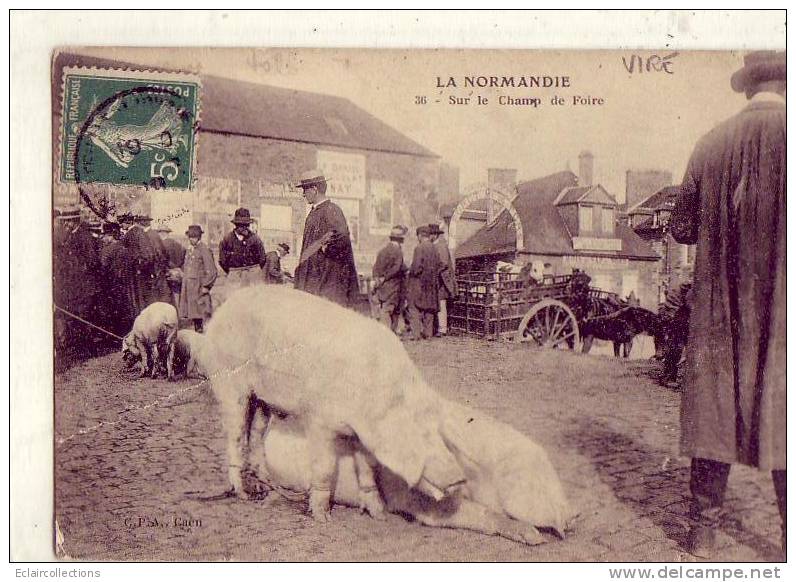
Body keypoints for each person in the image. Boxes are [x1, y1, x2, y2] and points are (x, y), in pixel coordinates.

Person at [670, 50, 785, 558]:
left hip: (718, 308)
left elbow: (682, 227)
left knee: (714, 406)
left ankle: (702, 533)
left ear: (745, 88)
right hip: (784, 309)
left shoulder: (710, 143)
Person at [293, 171, 359, 307]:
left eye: (305, 189)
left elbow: (342, 240)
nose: (303, 194)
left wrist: (325, 249)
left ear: (314, 189)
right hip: (314, 280)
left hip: (326, 281)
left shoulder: (331, 210)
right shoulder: (314, 212)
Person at [218, 207, 268, 297]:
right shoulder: (227, 239)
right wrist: (233, 271)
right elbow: (222, 261)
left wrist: (253, 270)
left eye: (247, 225)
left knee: (253, 299)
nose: (245, 228)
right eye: (242, 225)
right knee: (233, 299)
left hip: (252, 275)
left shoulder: (255, 239)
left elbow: (262, 258)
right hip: (234, 276)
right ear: (236, 225)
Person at [179, 225, 218, 333]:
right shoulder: (190, 250)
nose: (191, 239)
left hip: (199, 288)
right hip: (190, 288)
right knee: (194, 314)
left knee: (201, 313)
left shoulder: (204, 249)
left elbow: (212, 270)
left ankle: (203, 335)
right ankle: (198, 332)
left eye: (194, 237)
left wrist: (206, 286)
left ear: (199, 237)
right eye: (190, 237)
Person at [405, 225, 441, 341]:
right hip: (431, 285)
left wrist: (410, 272)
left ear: (420, 236)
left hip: (419, 284)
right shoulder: (435, 249)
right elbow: (440, 265)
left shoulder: (419, 248)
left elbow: (416, 268)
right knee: (429, 309)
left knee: (414, 308)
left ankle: (416, 335)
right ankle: (428, 334)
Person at [372, 225, 408, 332]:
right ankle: (388, 333)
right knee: (391, 310)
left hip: (383, 286)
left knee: (386, 308)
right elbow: (397, 268)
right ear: (401, 239)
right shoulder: (398, 251)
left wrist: (378, 279)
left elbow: (375, 267)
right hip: (394, 285)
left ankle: (387, 332)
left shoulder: (382, 251)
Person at [429, 223, 456, 336]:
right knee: (437, 302)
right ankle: (438, 327)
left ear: (435, 235)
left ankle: (442, 328)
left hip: (443, 280)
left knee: (441, 302)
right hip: (438, 278)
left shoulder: (441, 246)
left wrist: (433, 272)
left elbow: (444, 263)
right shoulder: (434, 245)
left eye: (430, 234)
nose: (429, 236)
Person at [155, 225, 187, 306]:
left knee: (167, 296)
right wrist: (178, 267)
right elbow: (183, 256)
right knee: (176, 293)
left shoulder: (162, 245)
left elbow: (162, 261)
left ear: (161, 233)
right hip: (178, 273)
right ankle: (178, 312)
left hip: (167, 273)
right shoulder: (177, 244)